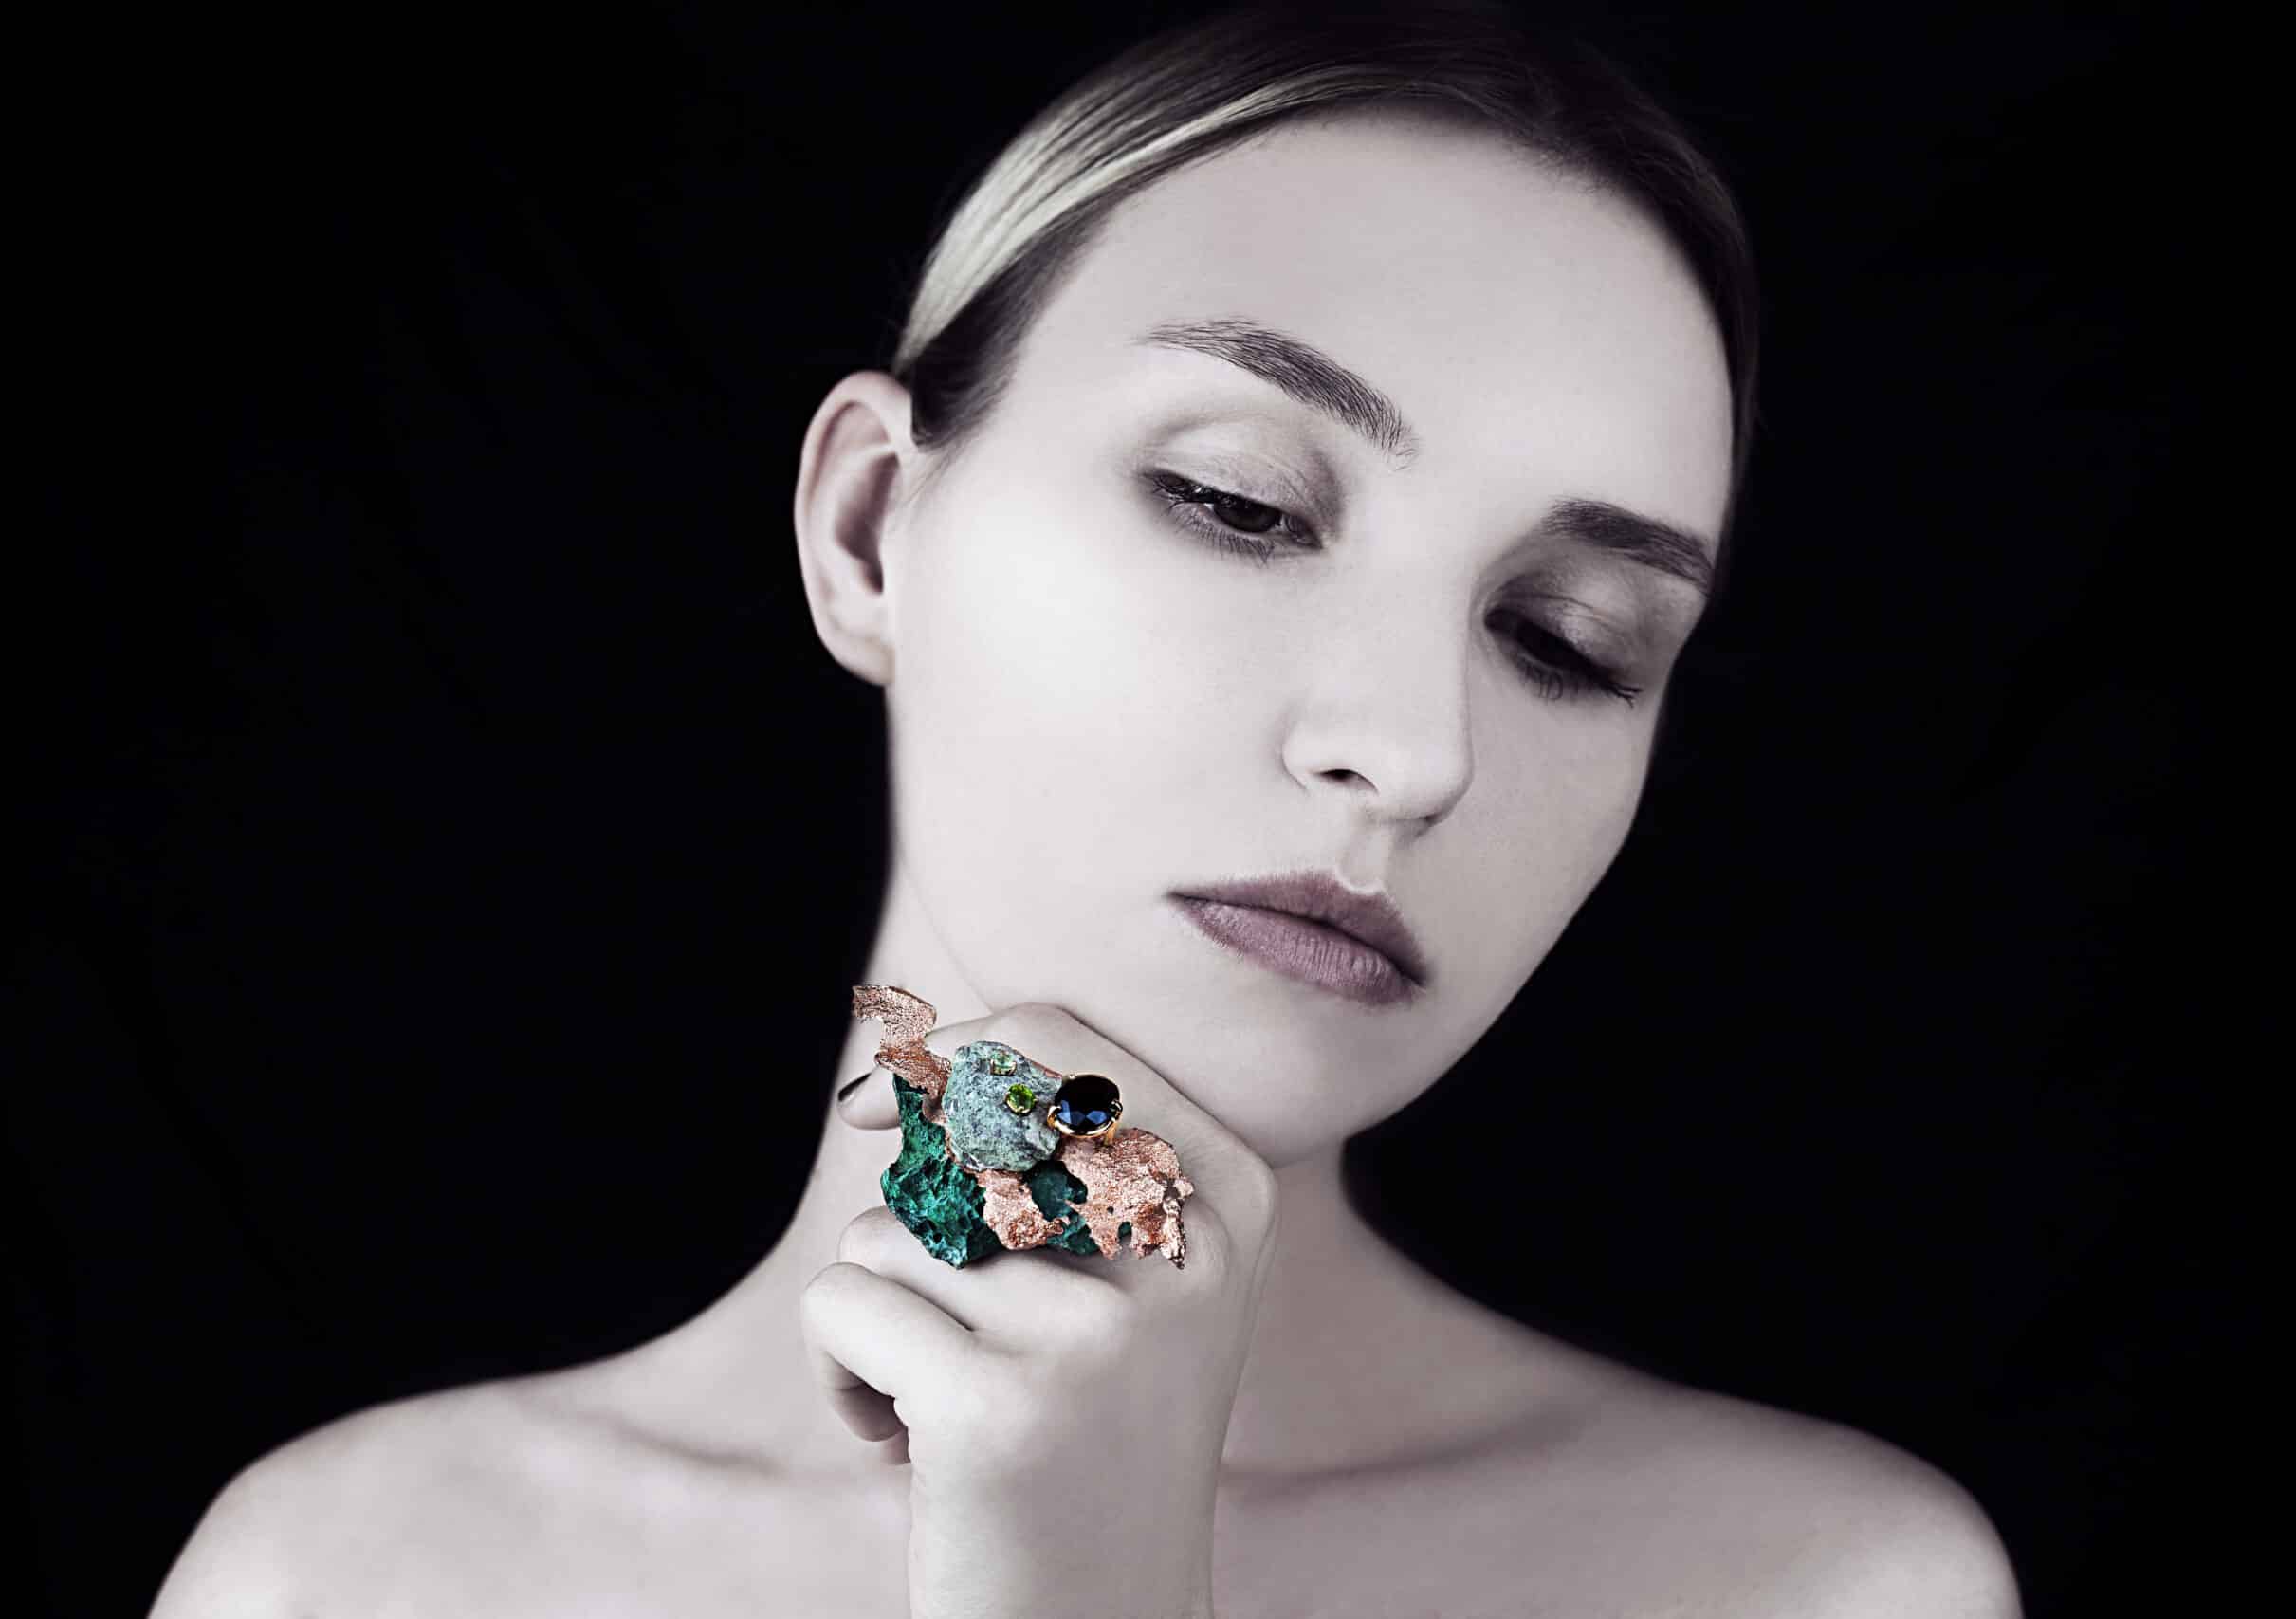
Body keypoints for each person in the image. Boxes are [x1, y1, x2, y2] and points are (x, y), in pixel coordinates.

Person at [152, 2, 2023, 1613]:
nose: (1413, 750)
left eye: (1568, 638)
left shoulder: (1813, 1584)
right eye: (1239, 503)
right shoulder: (345, 1574)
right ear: (870, 529)